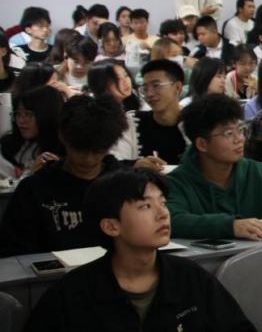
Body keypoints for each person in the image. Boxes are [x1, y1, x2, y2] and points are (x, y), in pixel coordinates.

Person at [11, 168, 258, 332]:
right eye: (145, 206)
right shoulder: (71, 294)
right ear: (111, 226)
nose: (163, 213)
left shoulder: (189, 277)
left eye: (163, 202)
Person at [166, 94, 262, 240]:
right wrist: (231, 226)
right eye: (228, 133)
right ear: (202, 144)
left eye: (240, 130)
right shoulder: (177, 182)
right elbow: (172, 220)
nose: (239, 139)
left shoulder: (259, 173)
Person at [0, 95, 126, 256]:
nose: (88, 159)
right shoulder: (34, 190)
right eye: (79, 149)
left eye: (98, 151)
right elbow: (13, 252)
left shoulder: (125, 185)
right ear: (62, 136)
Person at [0, 86, 64, 179]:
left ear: (47, 115)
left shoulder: (60, 154)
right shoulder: (10, 144)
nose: (21, 121)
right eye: (18, 114)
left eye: (28, 114)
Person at [137, 59, 188, 164]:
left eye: (156, 86)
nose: (149, 94)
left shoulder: (195, 121)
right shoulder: (135, 122)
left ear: (177, 88)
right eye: (145, 88)